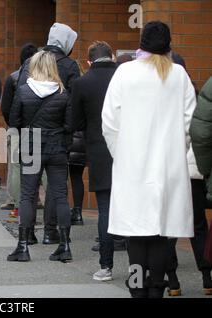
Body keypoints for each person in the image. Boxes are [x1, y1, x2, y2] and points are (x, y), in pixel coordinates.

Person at [102, 21, 197, 298]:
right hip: (167, 167)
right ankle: (156, 288)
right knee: (159, 235)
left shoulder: (124, 72)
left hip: (132, 166)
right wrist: (177, 150)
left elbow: (109, 122)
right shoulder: (178, 75)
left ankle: (136, 289)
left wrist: (123, 153)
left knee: (135, 235)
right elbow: (189, 121)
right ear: (168, 45)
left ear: (141, 43)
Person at [17, 23, 81, 245]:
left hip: (31, 139)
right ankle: (51, 233)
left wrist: (23, 130)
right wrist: (67, 133)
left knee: (28, 191)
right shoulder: (70, 66)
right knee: (57, 190)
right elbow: (73, 108)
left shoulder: (29, 63)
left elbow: (14, 105)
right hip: (57, 139)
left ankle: (26, 237)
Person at [7, 51, 72, 262]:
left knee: (27, 195)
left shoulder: (24, 91)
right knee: (60, 196)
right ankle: (64, 245)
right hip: (57, 147)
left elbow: (14, 121)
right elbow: (70, 124)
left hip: (31, 145)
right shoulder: (63, 93)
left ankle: (23, 246)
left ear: (33, 67)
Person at [72, 41, 118, 281]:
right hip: (129, 150)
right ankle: (144, 266)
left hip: (99, 151)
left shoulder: (82, 83)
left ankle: (106, 266)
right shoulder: (123, 78)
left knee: (105, 210)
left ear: (89, 61)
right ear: (112, 56)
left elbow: (75, 122)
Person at [1, 43, 39, 238]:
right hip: (39, 130)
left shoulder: (13, 78)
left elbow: (5, 107)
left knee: (16, 167)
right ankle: (41, 203)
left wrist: (13, 125)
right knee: (39, 167)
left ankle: (17, 206)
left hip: (17, 130)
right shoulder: (44, 78)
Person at [190, 75, 212, 296]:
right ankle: (207, 277)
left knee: (167, 230)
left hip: (175, 173)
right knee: (198, 226)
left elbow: (202, 134)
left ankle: (172, 281)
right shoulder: (196, 96)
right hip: (193, 173)